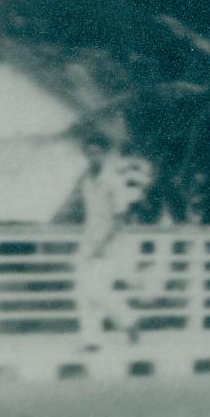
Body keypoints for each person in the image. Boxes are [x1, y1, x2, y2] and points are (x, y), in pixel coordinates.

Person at [67, 130, 152, 353]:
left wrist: (103, 244)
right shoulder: (87, 180)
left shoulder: (113, 180)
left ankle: (129, 319)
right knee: (83, 290)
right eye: (89, 153)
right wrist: (90, 243)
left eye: (97, 153)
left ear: (104, 154)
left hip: (111, 245)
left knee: (96, 289)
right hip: (89, 241)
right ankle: (92, 339)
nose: (93, 157)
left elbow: (120, 217)